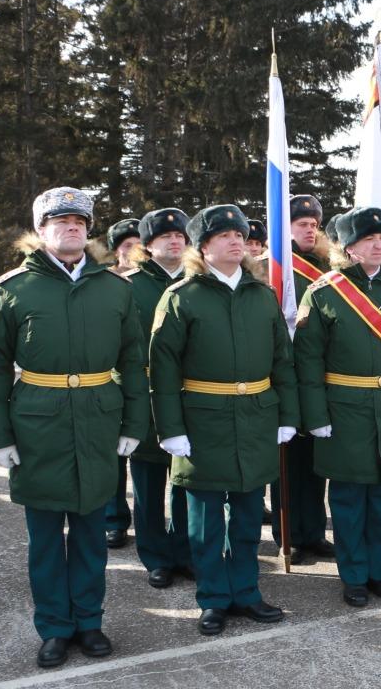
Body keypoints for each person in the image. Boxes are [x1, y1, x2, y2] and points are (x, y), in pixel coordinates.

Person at [0, 187, 148, 667]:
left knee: (92, 531)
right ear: (41, 230)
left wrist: (135, 420)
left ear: (88, 230)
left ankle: (89, 623)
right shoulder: (12, 289)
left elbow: (134, 360)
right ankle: (54, 627)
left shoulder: (115, 287)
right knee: (47, 536)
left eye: (79, 221)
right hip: (37, 425)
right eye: (59, 221)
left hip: (97, 419)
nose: (71, 227)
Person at [149, 204, 300, 636]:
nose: (236, 240)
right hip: (203, 422)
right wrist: (171, 429)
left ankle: (247, 593)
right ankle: (214, 598)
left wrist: (287, 415)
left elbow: (282, 362)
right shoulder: (182, 297)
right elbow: (163, 369)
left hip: (255, 417)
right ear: (204, 247)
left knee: (250, 515)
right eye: (224, 236)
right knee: (207, 522)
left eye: (240, 234)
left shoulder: (261, 295)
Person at [296, 207, 381, 607]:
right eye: (367, 239)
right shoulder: (324, 293)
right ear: (348, 248)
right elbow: (308, 362)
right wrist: (316, 416)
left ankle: (379, 572)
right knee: (349, 500)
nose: (378, 245)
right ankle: (354, 575)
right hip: (344, 408)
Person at [120, 208, 194, 588]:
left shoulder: (199, 283)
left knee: (186, 480)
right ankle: (155, 556)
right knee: (149, 483)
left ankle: (185, 551)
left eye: (180, 234)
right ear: (148, 246)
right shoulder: (127, 286)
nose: (175, 240)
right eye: (165, 236)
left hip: (189, 397)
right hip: (145, 397)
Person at [270, 194, 335, 563]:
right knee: (287, 461)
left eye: (314, 225)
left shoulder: (326, 266)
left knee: (315, 459)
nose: (310, 230)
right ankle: (288, 533)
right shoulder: (272, 266)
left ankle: (314, 532)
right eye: (301, 224)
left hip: (318, 374)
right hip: (283, 373)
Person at [102, 217, 142, 547]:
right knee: (114, 457)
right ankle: (114, 519)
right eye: (127, 246)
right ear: (117, 252)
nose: (134, 251)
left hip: (142, 379)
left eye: (139, 244)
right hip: (110, 382)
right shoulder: (106, 284)